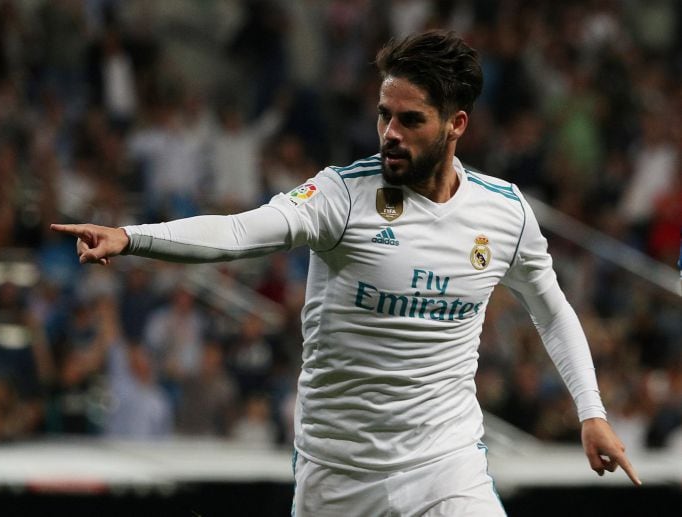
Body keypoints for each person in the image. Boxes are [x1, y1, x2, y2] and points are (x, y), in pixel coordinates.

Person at [51, 30, 640, 516]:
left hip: (446, 465)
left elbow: (552, 309)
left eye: (410, 120)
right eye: (384, 116)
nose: (390, 133)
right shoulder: (341, 196)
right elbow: (238, 233)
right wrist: (132, 238)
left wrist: (592, 413)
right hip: (339, 477)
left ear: (456, 125)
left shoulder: (504, 211)